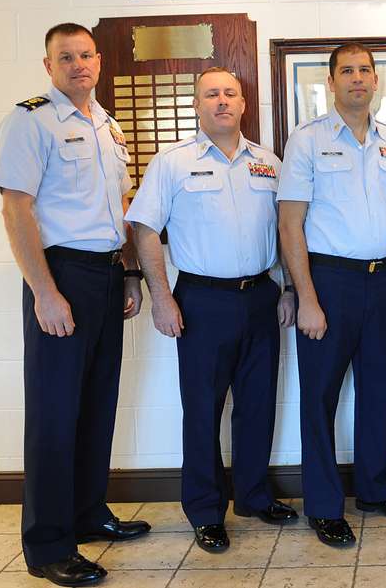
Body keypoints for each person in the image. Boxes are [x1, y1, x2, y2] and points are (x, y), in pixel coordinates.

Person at [0, 22, 150, 587]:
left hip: (107, 276)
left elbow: (120, 208)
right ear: (48, 65)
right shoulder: (31, 121)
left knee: (96, 406)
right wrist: (44, 291)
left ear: (98, 62)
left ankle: (88, 514)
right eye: (66, 57)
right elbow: (17, 210)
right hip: (61, 274)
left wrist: (130, 273)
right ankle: (48, 546)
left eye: (86, 55)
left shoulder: (107, 126)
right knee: (54, 417)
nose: (79, 64)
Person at [125, 67, 298, 554]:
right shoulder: (173, 162)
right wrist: (162, 297)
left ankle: (254, 496)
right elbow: (143, 230)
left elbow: (285, 232)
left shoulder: (269, 162)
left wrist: (286, 289)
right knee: (202, 410)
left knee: (258, 404)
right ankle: (205, 511)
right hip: (202, 300)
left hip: (262, 296)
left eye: (230, 93)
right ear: (197, 105)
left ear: (244, 104)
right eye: (211, 94)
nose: (221, 101)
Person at [277, 43, 386, 547]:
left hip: (383, 280)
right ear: (332, 81)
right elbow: (290, 224)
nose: (357, 79)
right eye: (347, 71)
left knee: (377, 390)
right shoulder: (307, 142)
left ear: (376, 80)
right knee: (319, 398)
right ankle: (323, 505)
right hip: (329, 283)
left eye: (365, 70)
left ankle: (374, 488)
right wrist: (307, 297)